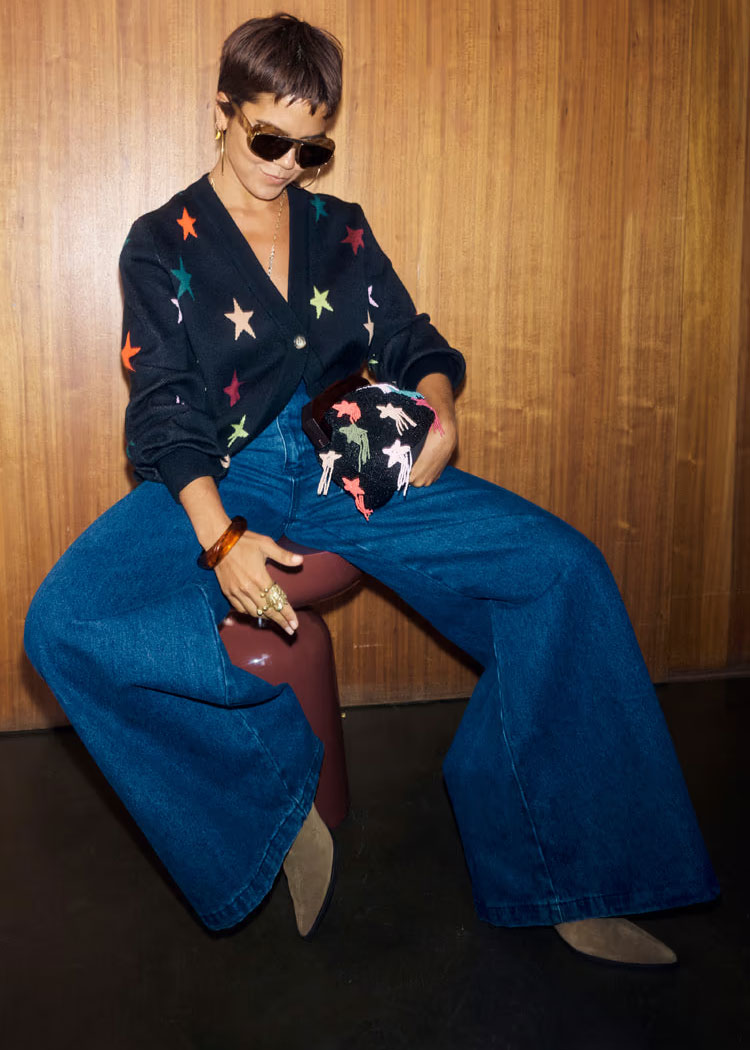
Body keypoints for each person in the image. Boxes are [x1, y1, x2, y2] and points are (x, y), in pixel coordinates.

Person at [24, 13, 718, 963]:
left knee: (563, 569)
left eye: (311, 148)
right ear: (222, 110)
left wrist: (442, 409)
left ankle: (568, 869)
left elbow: (413, 340)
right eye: (268, 139)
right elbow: (164, 407)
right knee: (64, 623)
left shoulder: (339, 228)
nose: (288, 166)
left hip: (347, 461)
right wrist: (220, 538)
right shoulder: (159, 243)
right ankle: (274, 799)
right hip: (218, 476)